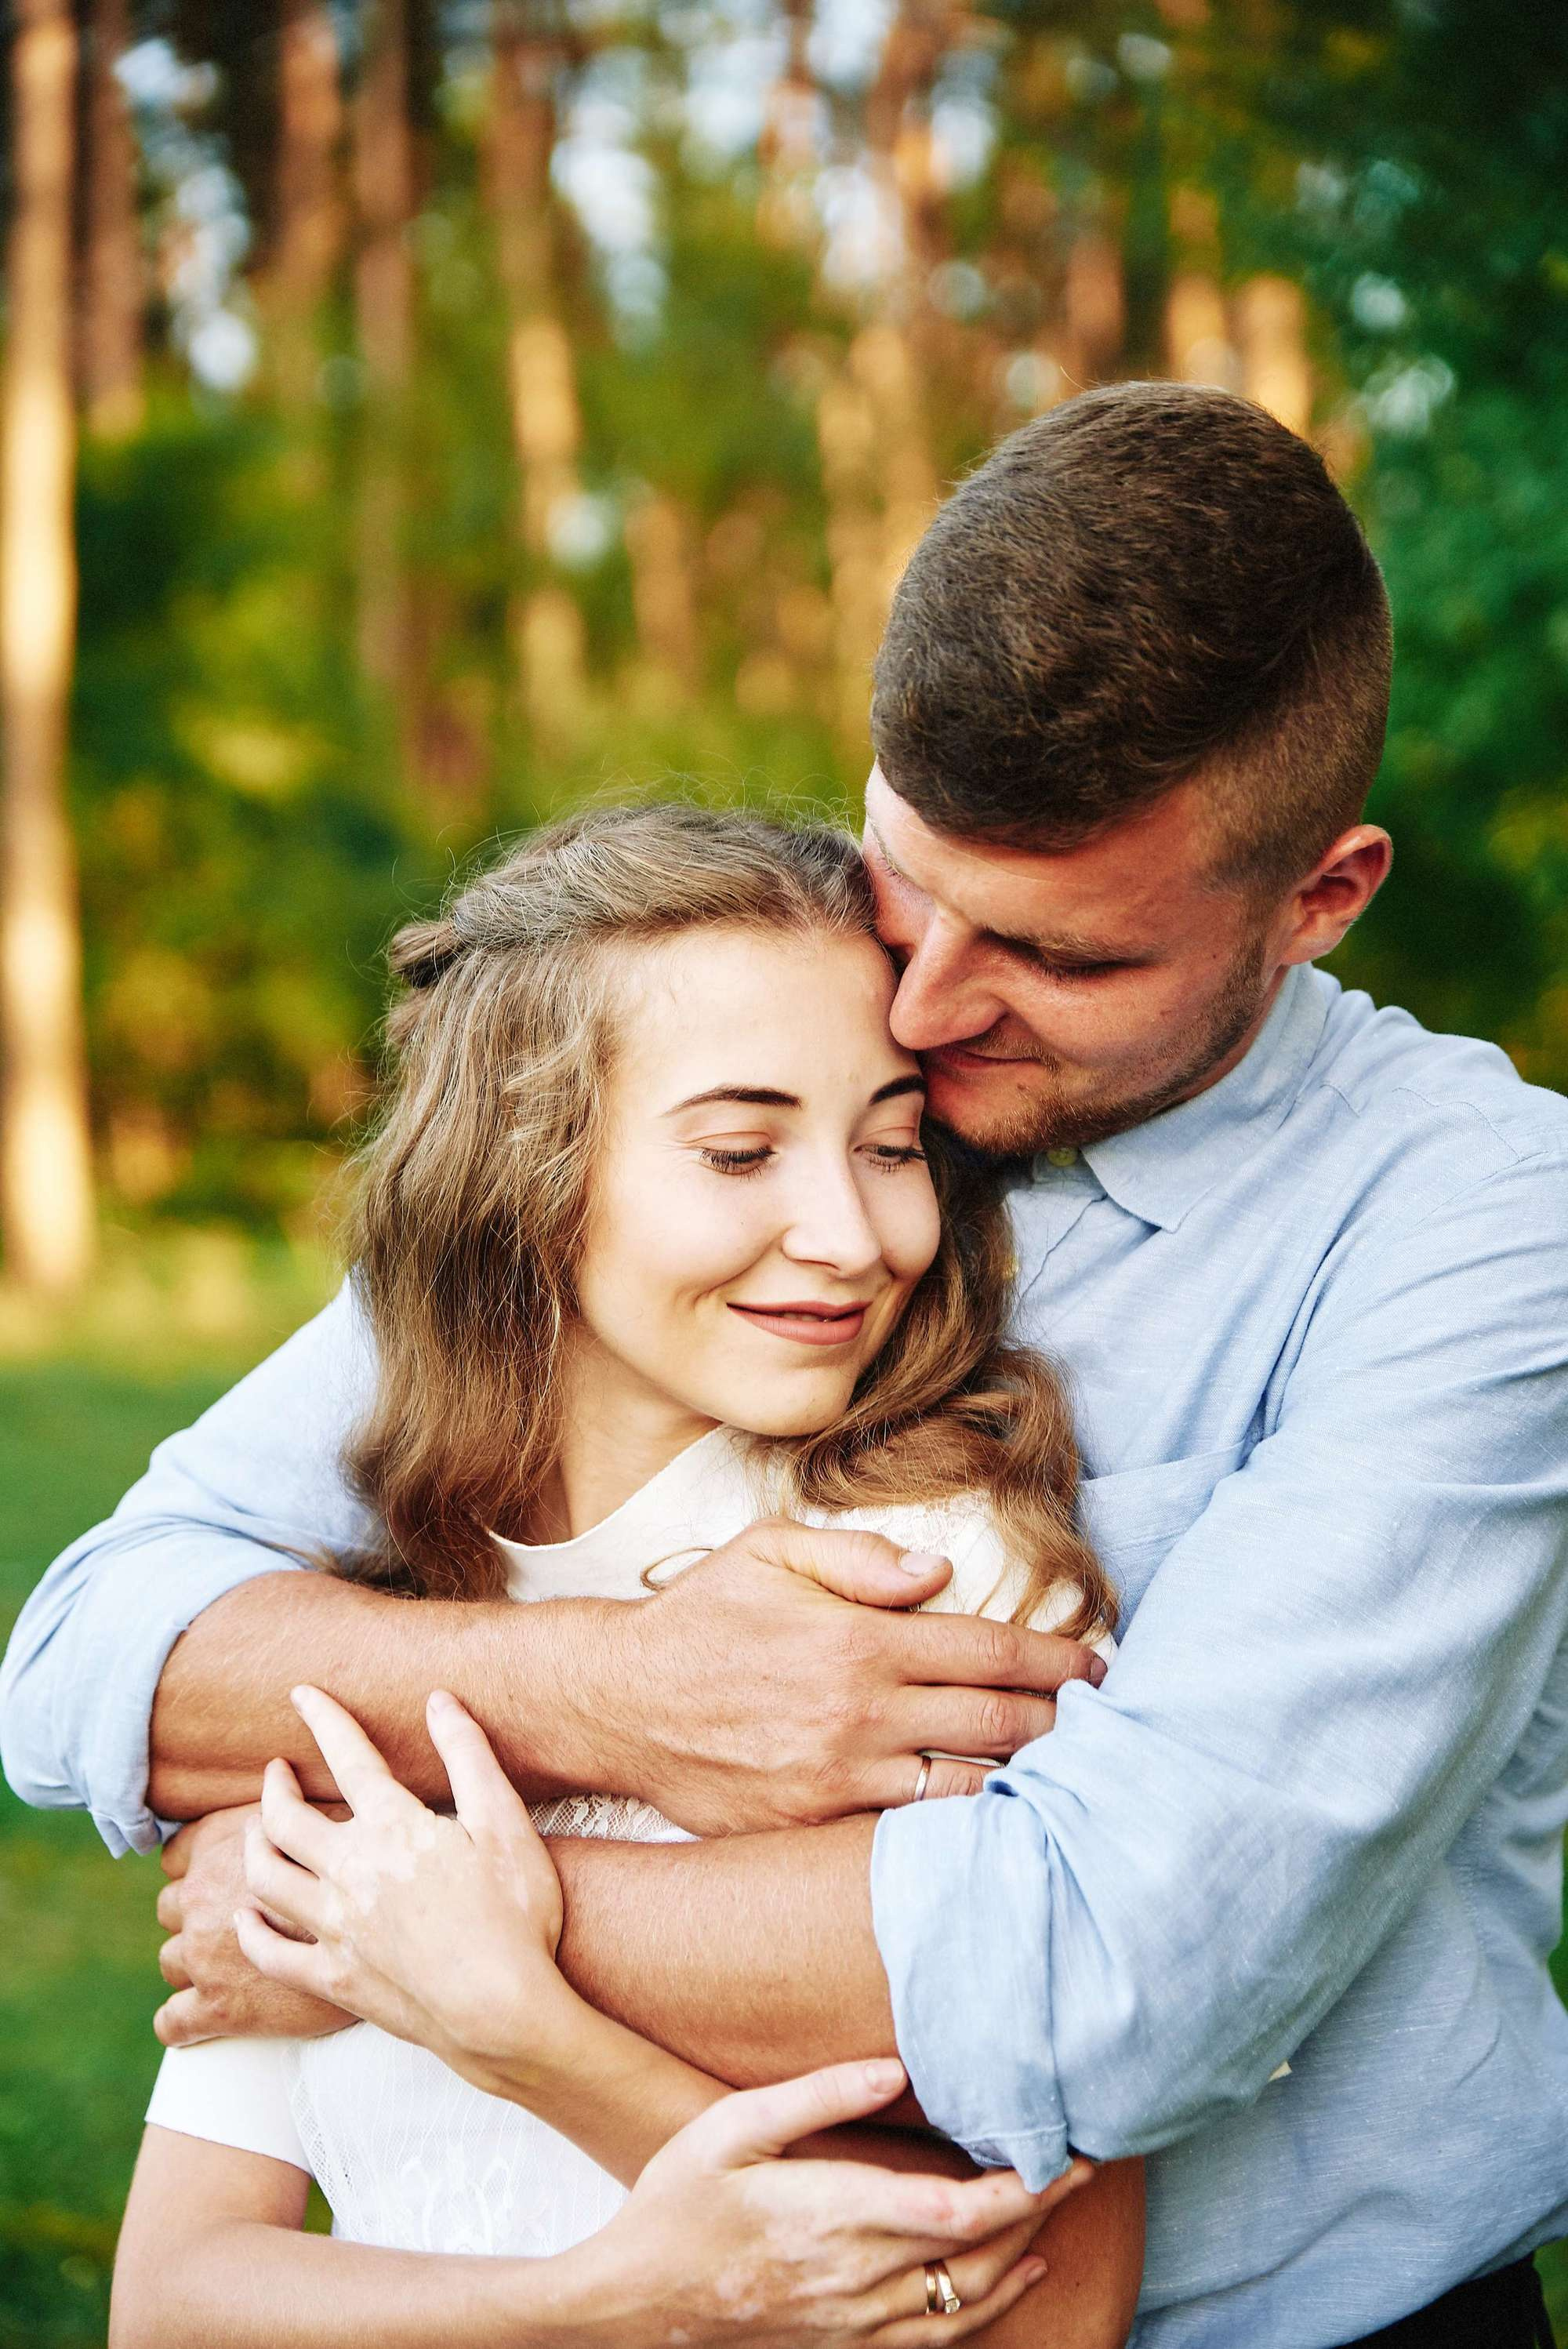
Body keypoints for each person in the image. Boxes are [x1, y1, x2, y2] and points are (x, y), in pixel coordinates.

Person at [5, 379, 1568, 2345]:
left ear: (1318, 899)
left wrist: (380, 1908)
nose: (922, 1002)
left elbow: (1107, 1976)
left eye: (1060, 957)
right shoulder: (764, 1047)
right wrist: (615, 1696)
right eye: (911, 877)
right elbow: (102, 1653)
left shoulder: (1478, 1229)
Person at [107, 806, 1143, 2347]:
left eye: (885, 1142)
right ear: (524, 1176)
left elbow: (1050, 2317)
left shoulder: (941, 1593)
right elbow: (176, 2300)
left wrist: (515, 2023)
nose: (853, 1232)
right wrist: (594, 2300)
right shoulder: (368, 1628)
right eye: (740, 1148)